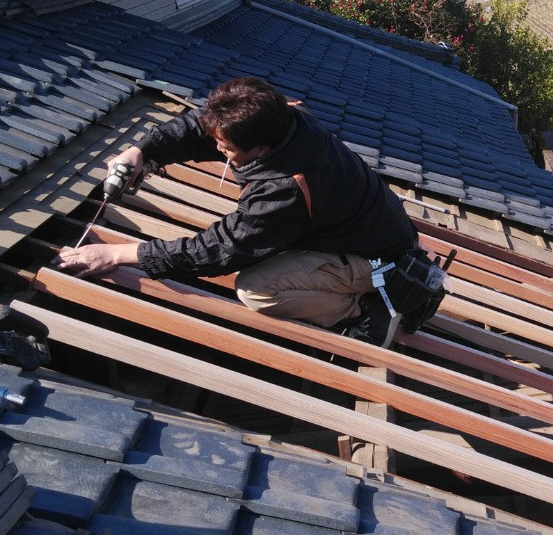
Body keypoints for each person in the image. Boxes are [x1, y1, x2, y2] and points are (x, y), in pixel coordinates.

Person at [55, 76, 418, 345]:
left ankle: (366, 310)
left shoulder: (286, 187)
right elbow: (203, 127)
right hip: (365, 227)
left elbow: (219, 250)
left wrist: (118, 253)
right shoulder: (283, 116)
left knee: (256, 289)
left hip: (377, 258)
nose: (217, 150)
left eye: (225, 149)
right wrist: (144, 152)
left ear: (260, 150)